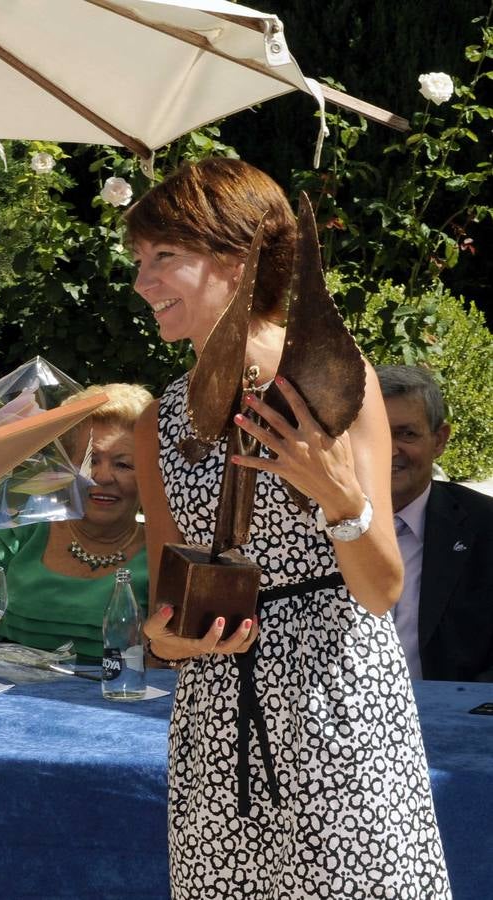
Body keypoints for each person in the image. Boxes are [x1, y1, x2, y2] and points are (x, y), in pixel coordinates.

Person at [126, 158, 449, 897]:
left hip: (336, 705)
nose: (143, 282)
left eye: (164, 258)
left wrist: (337, 495)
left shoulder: (333, 380)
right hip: (216, 716)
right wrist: (167, 641)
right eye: (140, 261)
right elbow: (162, 608)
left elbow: (380, 590)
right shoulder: (160, 420)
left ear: (237, 259)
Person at [0, 383, 154, 662]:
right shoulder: (21, 532)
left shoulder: (161, 553)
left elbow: (163, 660)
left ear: (150, 473)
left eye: (123, 464)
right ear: (65, 468)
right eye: (90, 462)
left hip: (116, 699)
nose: (102, 477)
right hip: (8, 695)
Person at [378, 364, 493, 682]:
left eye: (407, 434)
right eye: (376, 434)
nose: (390, 449)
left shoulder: (485, 528)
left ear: (439, 439)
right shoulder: (315, 525)